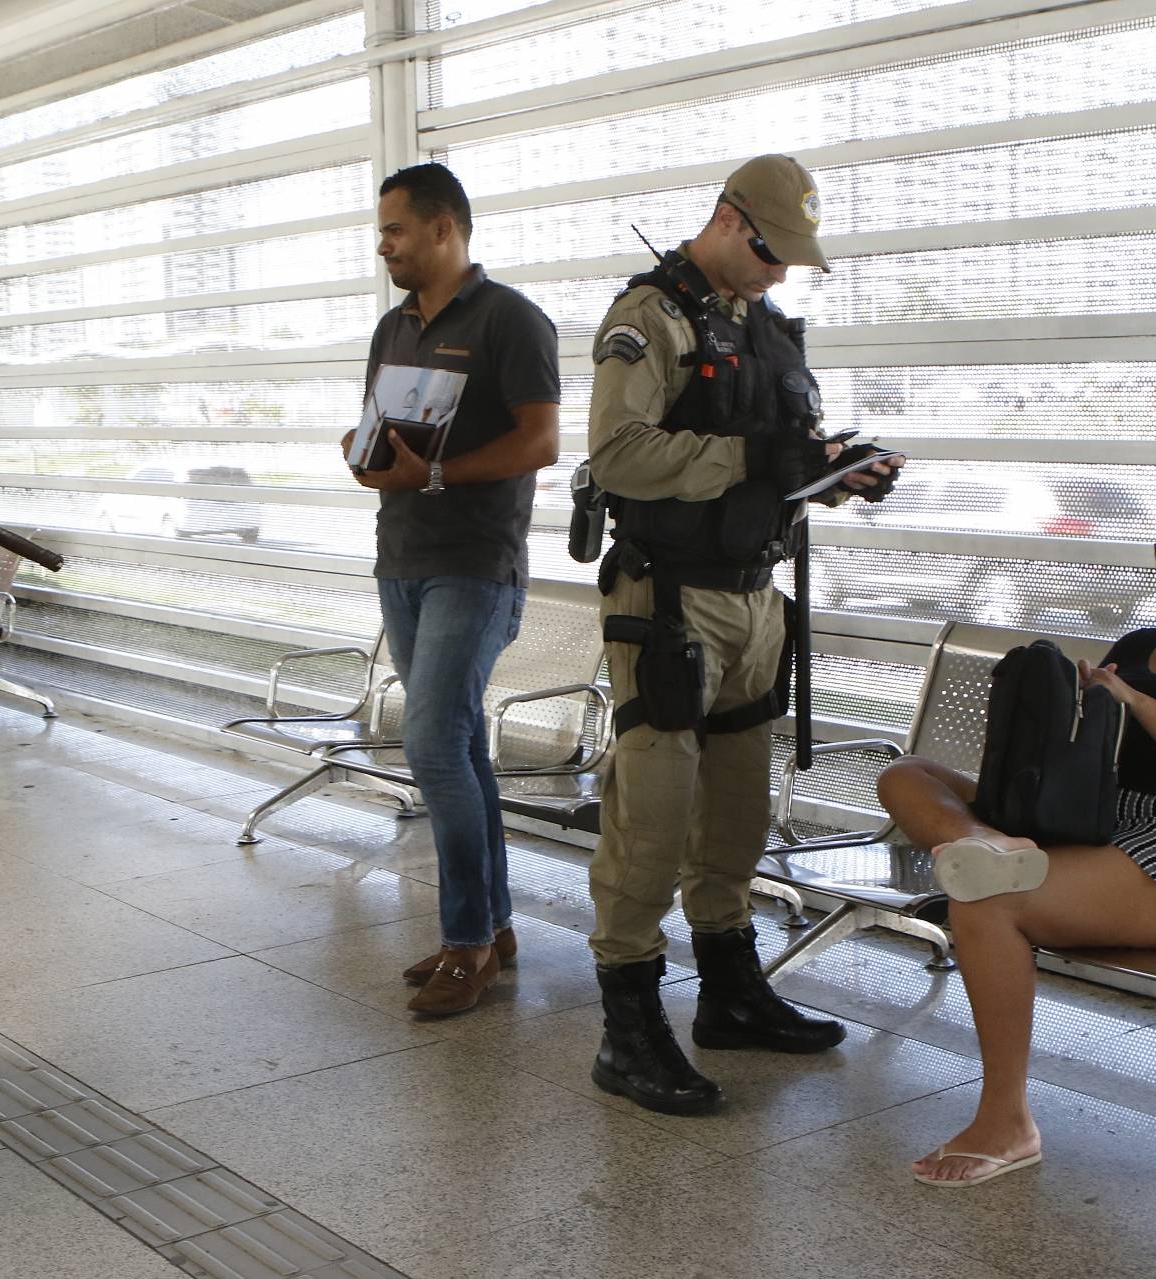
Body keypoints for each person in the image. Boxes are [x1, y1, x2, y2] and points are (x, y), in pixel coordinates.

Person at [582, 154, 903, 1115]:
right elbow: (619, 454)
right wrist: (756, 455)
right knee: (652, 820)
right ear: (726, 219)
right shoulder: (651, 318)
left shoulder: (761, 329)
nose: (779, 272)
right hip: (670, 602)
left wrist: (833, 471)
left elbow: (773, 460)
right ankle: (627, 1028)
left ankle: (729, 989)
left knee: (734, 817)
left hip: (756, 600)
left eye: (792, 259)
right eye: (770, 251)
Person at [876, 493, 1156, 1186]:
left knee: (987, 904)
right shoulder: (1142, 644)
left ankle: (1007, 1119)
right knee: (906, 773)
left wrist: (1140, 701)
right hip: (1097, 818)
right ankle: (984, 846)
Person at [342, 163, 562, 1016]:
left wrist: (433, 475)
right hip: (401, 556)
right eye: (381, 231)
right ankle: (494, 926)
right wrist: (365, 452)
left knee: (431, 743)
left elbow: (540, 441)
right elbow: (381, 426)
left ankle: (466, 943)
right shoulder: (393, 325)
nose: (384, 244)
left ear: (444, 229)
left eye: (396, 229)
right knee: (461, 746)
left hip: (476, 563)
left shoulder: (511, 319)